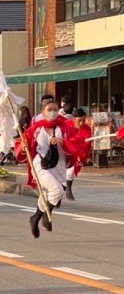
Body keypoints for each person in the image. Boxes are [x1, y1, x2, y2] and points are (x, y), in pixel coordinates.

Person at [20, 100, 87, 238]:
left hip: (59, 164)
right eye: (49, 109)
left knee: (48, 194)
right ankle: (46, 215)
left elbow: (79, 142)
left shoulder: (64, 127)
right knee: (56, 189)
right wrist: (23, 147)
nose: (52, 112)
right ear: (43, 111)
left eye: (55, 109)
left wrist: (63, 141)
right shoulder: (35, 129)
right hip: (40, 164)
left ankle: (35, 218)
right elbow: (22, 148)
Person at [64, 108, 92, 200]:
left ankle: (68, 188)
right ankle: (59, 193)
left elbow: (86, 145)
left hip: (77, 153)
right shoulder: (66, 125)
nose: (82, 123)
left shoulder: (87, 129)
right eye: (79, 120)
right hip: (64, 151)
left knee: (71, 170)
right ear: (73, 119)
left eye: (84, 120)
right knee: (59, 173)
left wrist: (83, 156)